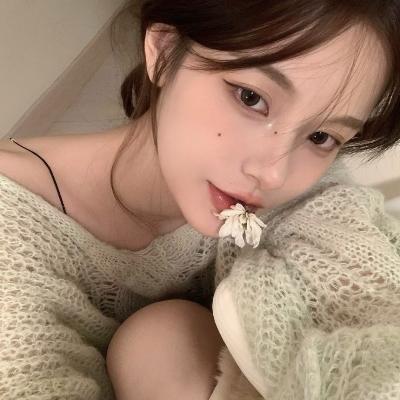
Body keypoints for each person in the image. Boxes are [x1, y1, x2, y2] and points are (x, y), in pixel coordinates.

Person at [0, 0, 399, 399]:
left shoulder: (311, 194)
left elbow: (376, 302)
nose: (273, 174)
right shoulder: (12, 232)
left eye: (321, 136)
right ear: (164, 51)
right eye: (250, 97)